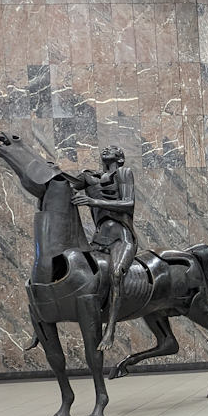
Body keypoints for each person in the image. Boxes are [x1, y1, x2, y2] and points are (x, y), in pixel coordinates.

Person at [71, 146, 136, 351]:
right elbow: (66, 184)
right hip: (99, 239)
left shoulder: (124, 173)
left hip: (121, 237)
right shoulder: (91, 176)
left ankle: (110, 330)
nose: (108, 149)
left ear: (121, 157)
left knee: (116, 274)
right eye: (106, 149)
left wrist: (92, 201)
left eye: (114, 149)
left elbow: (128, 203)